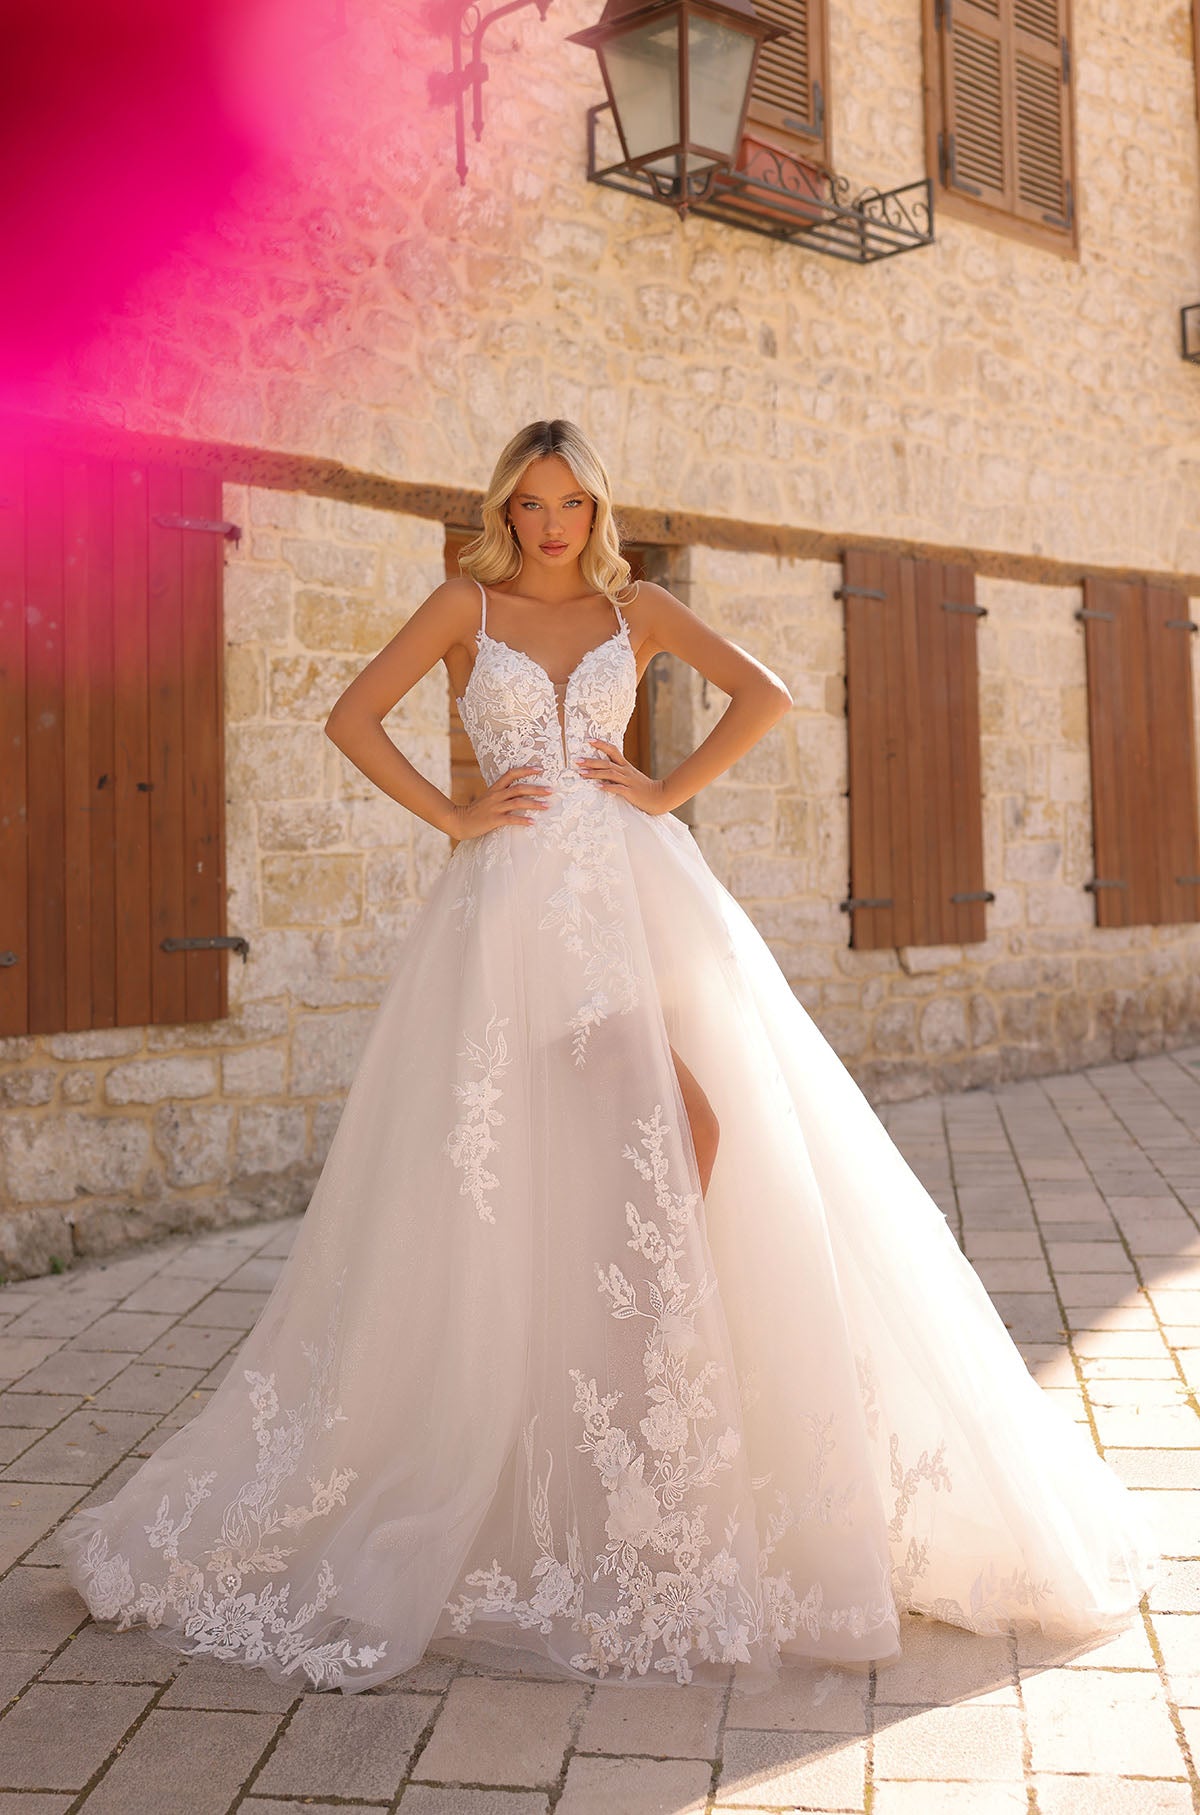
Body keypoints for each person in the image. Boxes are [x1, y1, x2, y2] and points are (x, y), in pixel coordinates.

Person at [58, 418, 1159, 1695]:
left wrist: (664, 787)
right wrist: (460, 813)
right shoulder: (463, 605)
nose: (552, 524)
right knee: (659, 1120)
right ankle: (604, 1376)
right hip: (522, 907)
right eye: (531, 503)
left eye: (571, 502)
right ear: (504, 510)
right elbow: (352, 717)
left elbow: (771, 693)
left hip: (637, 891)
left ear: (597, 509)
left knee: (693, 1118)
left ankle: (624, 1359)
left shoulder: (635, 607)